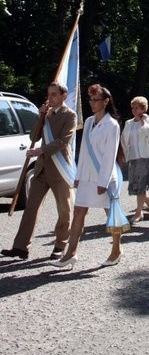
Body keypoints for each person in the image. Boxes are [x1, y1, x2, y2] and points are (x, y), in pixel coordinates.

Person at [50, 83, 129, 269]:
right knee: (78, 212)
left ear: (106, 101)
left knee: (111, 214)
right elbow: (83, 151)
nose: (92, 103)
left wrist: (103, 182)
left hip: (104, 178)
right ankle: (70, 253)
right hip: (86, 176)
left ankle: (117, 250)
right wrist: (78, 175)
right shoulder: (88, 122)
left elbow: (110, 155)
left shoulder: (112, 125)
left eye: (96, 100)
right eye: (90, 100)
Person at [1, 81, 76, 261]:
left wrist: (41, 150)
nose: (50, 98)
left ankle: (60, 246)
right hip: (42, 168)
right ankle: (21, 247)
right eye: (49, 94)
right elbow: (33, 137)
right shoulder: (46, 114)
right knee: (31, 208)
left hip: (60, 168)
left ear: (63, 96)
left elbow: (63, 141)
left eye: (54, 95)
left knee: (64, 210)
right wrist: (40, 116)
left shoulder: (70, 115)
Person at [120, 96, 149, 223]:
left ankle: (138, 213)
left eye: (137, 108)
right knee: (136, 186)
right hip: (133, 157)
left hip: (144, 156)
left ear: (143, 108)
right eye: (133, 108)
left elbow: (148, 133)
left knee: (141, 186)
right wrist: (125, 156)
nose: (134, 110)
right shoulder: (128, 123)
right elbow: (124, 140)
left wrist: (143, 121)